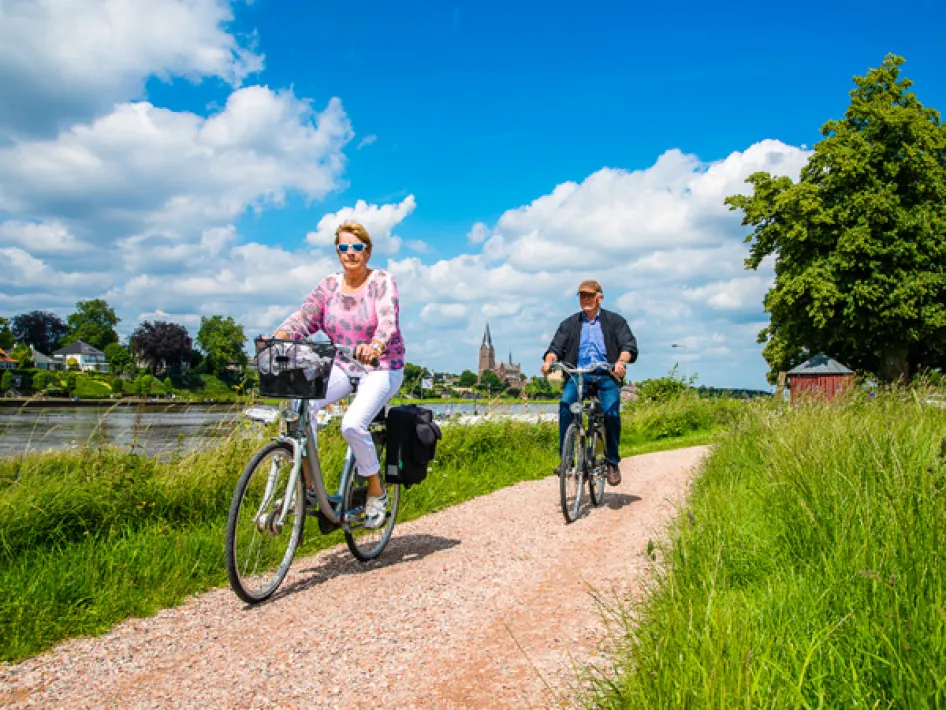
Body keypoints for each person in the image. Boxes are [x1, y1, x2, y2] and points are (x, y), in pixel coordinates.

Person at [273, 221, 406, 528]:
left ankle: (375, 491)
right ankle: (307, 489)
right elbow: (306, 315)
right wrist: (281, 335)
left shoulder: (382, 281)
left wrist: (375, 344)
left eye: (357, 247)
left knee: (352, 424)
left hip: (381, 365)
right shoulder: (329, 286)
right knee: (298, 411)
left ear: (368, 251)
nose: (350, 253)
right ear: (337, 252)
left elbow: (388, 319)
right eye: (343, 248)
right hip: (343, 365)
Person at [540, 279, 637, 486]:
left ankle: (612, 461)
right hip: (579, 375)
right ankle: (566, 459)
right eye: (582, 296)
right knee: (566, 405)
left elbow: (628, 345)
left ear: (599, 298)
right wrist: (549, 362)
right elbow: (555, 348)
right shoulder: (569, 324)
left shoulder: (615, 321)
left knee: (611, 413)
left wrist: (620, 362)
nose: (585, 300)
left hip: (605, 374)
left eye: (589, 296)